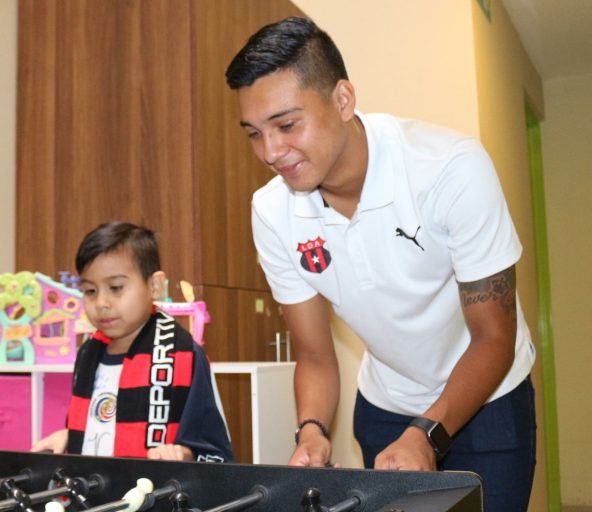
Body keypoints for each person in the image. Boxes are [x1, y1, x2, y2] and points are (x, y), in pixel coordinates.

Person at [225, 16, 536, 511]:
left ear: (343, 99)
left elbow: (493, 338)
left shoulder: (450, 169)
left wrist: (427, 435)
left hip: (489, 398)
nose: (271, 151)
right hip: (387, 408)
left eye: (286, 125)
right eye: (254, 134)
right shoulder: (272, 211)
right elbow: (315, 355)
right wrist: (311, 430)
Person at [31, 221, 233, 462]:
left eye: (116, 287)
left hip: (153, 485)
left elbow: (214, 451)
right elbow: (99, 424)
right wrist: (68, 435)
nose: (101, 303)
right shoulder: (88, 353)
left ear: (154, 286)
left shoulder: (183, 354)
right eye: (90, 291)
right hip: (93, 485)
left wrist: (184, 455)